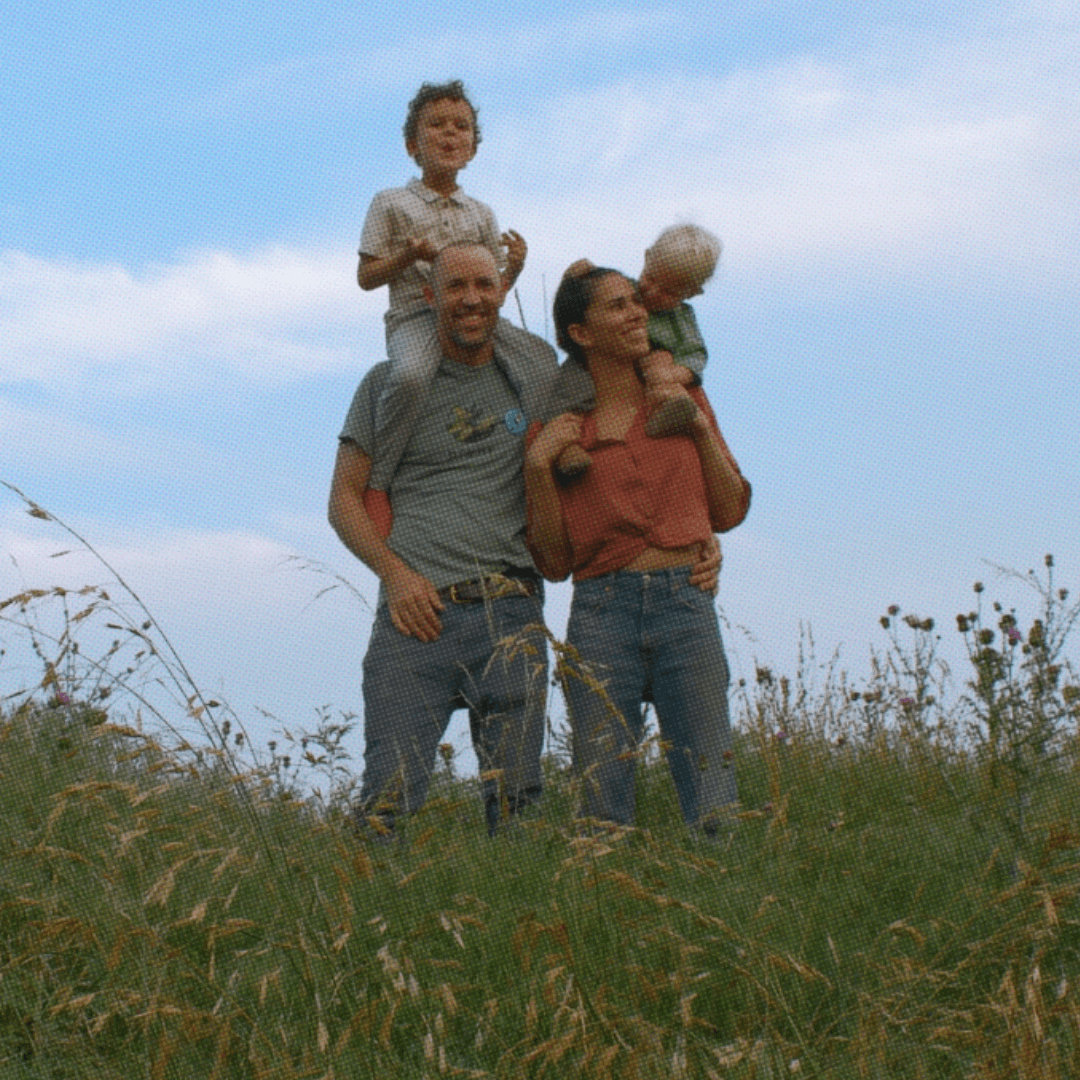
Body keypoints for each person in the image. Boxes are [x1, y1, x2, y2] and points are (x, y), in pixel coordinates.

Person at [330, 242, 558, 838]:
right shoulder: (387, 385)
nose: (471, 299)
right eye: (455, 286)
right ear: (429, 295)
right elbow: (343, 501)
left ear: (502, 290)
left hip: (511, 608)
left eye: (483, 284)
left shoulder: (531, 381)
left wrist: (696, 538)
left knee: (519, 806)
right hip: (417, 614)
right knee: (387, 800)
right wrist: (395, 575)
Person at [525, 266, 751, 833]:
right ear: (581, 333)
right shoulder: (558, 431)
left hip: (686, 603)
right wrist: (537, 468)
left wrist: (698, 428)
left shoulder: (682, 396)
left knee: (713, 793)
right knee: (602, 801)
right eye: (617, 306)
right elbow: (553, 564)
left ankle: (726, 880)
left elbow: (730, 511)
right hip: (601, 613)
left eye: (635, 302)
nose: (637, 314)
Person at [358, 80, 548, 527]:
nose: (449, 133)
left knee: (540, 359)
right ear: (412, 145)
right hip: (416, 316)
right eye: (436, 125)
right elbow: (366, 277)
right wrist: (407, 256)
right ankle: (380, 479)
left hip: (474, 319)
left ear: (473, 149)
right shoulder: (391, 203)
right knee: (409, 375)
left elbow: (493, 292)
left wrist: (515, 268)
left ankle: (542, 445)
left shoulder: (480, 213)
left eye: (461, 127)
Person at [546, 224, 722, 478]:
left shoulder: (681, 319)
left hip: (649, 376)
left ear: (691, 293)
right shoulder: (624, 289)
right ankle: (567, 449)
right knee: (570, 387)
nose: (652, 292)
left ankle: (666, 411)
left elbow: (695, 355)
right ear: (647, 258)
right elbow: (583, 303)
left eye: (668, 291)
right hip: (596, 364)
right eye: (651, 279)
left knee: (663, 366)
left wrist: (675, 373)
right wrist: (574, 275)